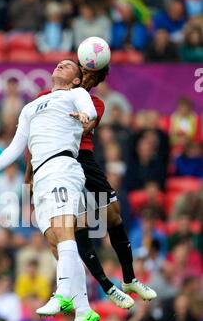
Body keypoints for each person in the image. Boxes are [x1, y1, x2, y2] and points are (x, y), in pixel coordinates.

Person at [0, 59, 100, 321]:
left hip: (64, 165)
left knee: (64, 231)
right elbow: (16, 145)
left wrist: (87, 119)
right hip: (42, 175)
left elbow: (90, 113)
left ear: (77, 79)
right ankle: (84, 311)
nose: (62, 65)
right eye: (60, 64)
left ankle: (62, 295)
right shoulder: (30, 107)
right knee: (54, 241)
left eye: (68, 66)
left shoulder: (76, 95)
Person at [25, 67, 157, 308]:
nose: (87, 80)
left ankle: (129, 278)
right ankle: (107, 286)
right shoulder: (44, 96)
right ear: (76, 74)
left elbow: (85, 127)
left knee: (114, 216)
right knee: (77, 225)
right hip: (56, 160)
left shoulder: (95, 103)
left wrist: (81, 119)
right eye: (85, 74)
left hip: (83, 156)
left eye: (92, 78)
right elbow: (32, 136)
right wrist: (29, 173)